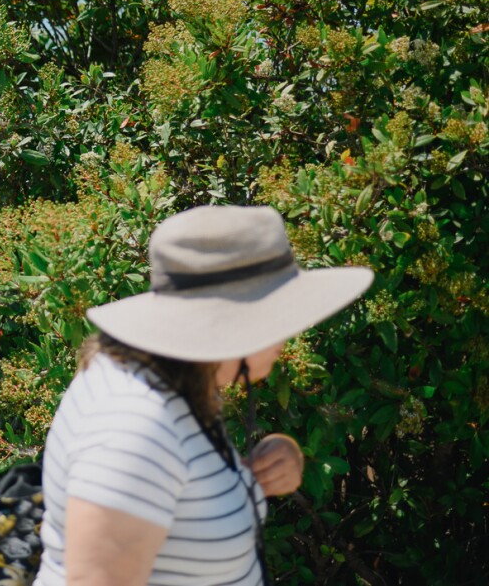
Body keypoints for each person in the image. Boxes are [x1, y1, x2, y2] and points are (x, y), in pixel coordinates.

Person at [37, 205, 374, 585]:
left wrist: (266, 466)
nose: (289, 334)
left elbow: (179, 500)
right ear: (232, 322)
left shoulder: (172, 384)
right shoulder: (136, 426)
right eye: (281, 314)